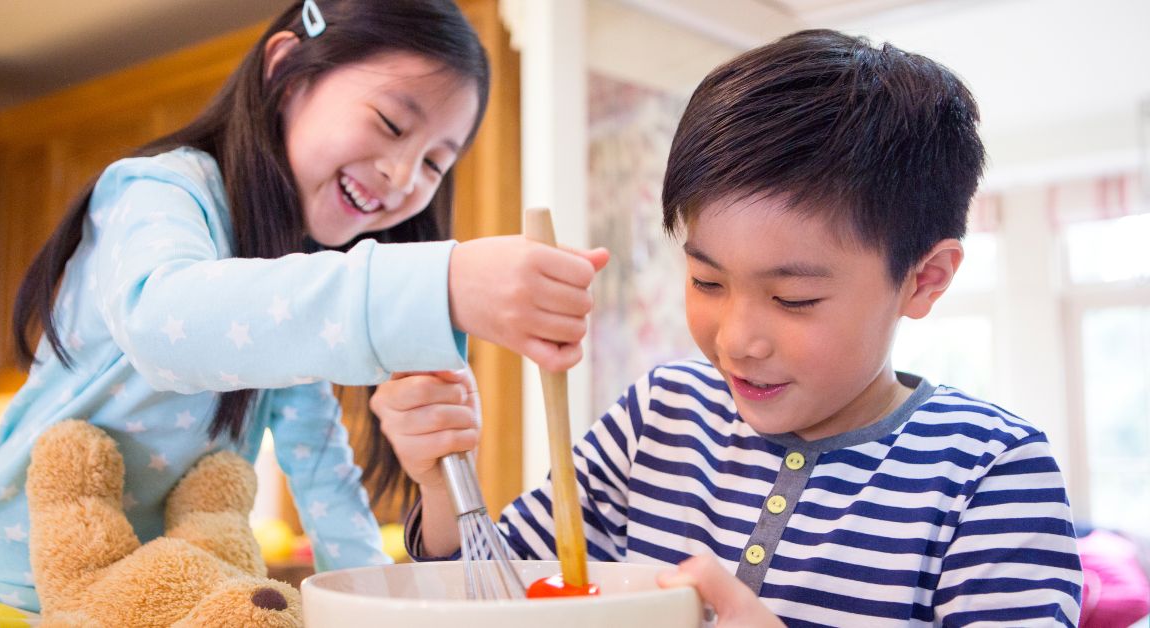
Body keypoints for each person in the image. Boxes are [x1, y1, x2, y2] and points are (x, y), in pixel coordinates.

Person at [373, 29, 1082, 626]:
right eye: (707, 282)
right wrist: (444, 486)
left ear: (924, 279)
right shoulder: (658, 420)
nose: (737, 339)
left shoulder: (991, 475)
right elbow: (492, 599)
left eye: (795, 298)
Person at [0, 0, 607, 612]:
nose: (404, 177)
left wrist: (380, 605)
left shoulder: (282, 297)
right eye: (390, 123)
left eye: (436, 163)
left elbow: (328, 489)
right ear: (286, 71)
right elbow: (164, 323)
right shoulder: (158, 189)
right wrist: (445, 281)